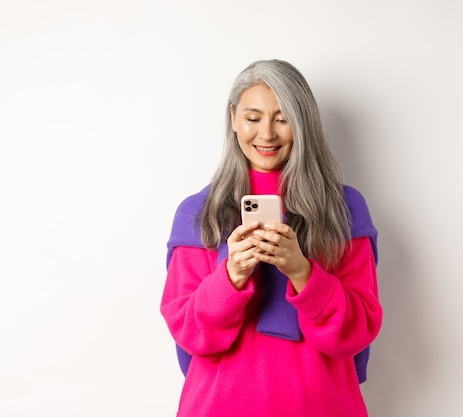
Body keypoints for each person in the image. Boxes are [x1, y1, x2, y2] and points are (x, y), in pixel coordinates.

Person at [161, 59, 382, 417]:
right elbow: (189, 335)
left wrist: (302, 272)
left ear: (303, 123)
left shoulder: (345, 208)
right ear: (233, 118)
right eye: (252, 118)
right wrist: (230, 276)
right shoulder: (196, 213)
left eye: (283, 118)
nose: (267, 134)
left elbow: (358, 332)